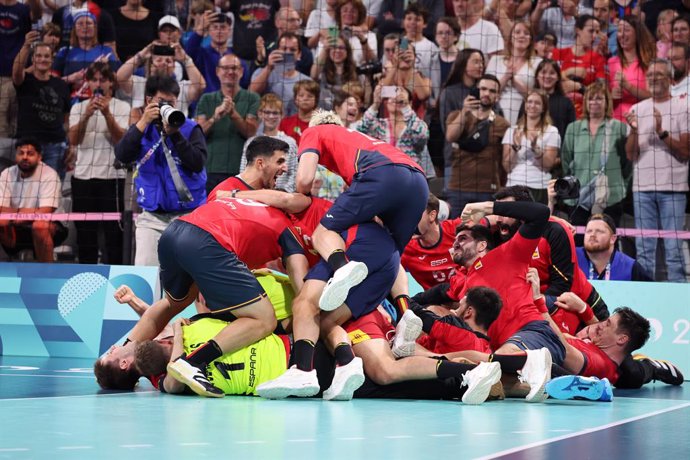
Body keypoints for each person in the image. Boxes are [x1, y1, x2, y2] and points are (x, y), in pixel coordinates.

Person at [124, 137, 309, 397]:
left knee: (172, 303)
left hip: (178, 234)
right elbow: (304, 296)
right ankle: (192, 363)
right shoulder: (283, 225)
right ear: (259, 163)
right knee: (264, 319)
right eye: (280, 161)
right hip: (209, 249)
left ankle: (122, 357)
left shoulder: (232, 193)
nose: (285, 168)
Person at [294, 110, 429, 311]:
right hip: (419, 182)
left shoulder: (314, 131)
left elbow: (304, 181)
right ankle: (406, 311)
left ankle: (341, 268)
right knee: (390, 252)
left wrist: (301, 195)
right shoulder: (358, 139)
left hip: (382, 174)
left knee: (323, 232)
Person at [114, 75, 208, 266]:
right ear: (149, 101)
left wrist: (176, 135)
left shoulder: (190, 128)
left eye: (171, 102)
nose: (167, 107)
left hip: (188, 216)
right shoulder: (140, 130)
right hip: (152, 217)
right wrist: (143, 123)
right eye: (162, 102)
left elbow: (198, 163)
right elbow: (122, 155)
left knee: (189, 277)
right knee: (146, 274)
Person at [624, 59, 690, 282]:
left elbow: (685, 151)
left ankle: (680, 297)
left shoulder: (683, 107)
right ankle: (644, 298)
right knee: (644, 250)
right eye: (650, 74)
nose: (652, 78)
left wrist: (661, 131)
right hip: (642, 188)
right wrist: (633, 131)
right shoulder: (637, 109)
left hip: (673, 188)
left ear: (670, 80)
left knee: (673, 250)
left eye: (658, 74)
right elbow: (630, 154)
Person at [68, 62, 130, 264]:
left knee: (114, 233)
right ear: (88, 83)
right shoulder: (78, 108)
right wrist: (86, 114)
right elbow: (73, 140)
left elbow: (122, 140)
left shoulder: (122, 107)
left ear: (111, 82)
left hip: (112, 178)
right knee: (85, 234)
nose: (98, 83)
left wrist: (106, 113)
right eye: (94, 79)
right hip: (83, 177)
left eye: (102, 79)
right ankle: (85, 272)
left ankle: (117, 276)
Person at [561, 81, 630, 235]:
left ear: (607, 102)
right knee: (578, 243)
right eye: (590, 98)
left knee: (608, 242)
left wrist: (620, 186)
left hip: (611, 196)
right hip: (578, 198)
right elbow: (565, 161)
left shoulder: (619, 127)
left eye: (599, 98)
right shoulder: (574, 128)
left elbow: (627, 163)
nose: (594, 102)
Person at [444, 74, 510, 217]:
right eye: (483, 89)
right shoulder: (457, 115)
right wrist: (464, 111)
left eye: (492, 91)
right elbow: (450, 136)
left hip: (488, 190)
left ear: (497, 96)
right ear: (476, 90)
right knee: (456, 231)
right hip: (458, 187)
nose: (487, 93)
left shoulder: (503, 124)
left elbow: (504, 162)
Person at [195, 54, 259, 193]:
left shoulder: (252, 98)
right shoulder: (207, 99)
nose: (230, 72)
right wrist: (214, 118)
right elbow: (197, 133)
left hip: (241, 170)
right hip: (210, 168)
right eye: (225, 68)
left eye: (235, 68)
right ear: (217, 71)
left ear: (241, 72)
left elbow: (250, 132)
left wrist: (233, 113)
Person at [11, 34, 70, 179]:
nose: (43, 59)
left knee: (51, 191)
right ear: (33, 59)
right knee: (24, 192)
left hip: (55, 146)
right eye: (38, 56)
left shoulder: (61, 85)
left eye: (46, 56)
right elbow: (17, 71)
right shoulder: (25, 81)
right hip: (28, 146)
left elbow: (67, 118)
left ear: (52, 59)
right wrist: (26, 45)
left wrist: (70, 144)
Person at [0, 138, 66, 262]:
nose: (25, 157)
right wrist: (25, 213)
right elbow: (1, 208)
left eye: (30, 154)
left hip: (51, 226)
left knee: (39, 225)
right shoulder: (7, 173)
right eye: (21, 153)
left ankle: (47, 272)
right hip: (16, 225)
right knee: (1, 222)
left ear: (39, 157)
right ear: (16, 156)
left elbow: (45, 212)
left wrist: (17, 215)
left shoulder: (49, 174)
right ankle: (8, 266)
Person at [358, 85, 433, 178]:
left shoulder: (416, 125)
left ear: (410, 102)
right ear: (386, 102)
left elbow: (422, 135)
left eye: (401, 96)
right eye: (392, 96)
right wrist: (375, 104)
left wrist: (405, 107)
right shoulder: (379, 125)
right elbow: (359, 131)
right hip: (382, 177)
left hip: (410, 178)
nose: (396, 98)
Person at [117, 41, 206, 118]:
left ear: (174, 67)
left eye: (168, 61)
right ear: (151, 65)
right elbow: (120, 77)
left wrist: (186, 59)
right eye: (159, 60)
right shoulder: (139, 84)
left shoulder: (182, 87)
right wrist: (141, 55)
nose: (164, 63)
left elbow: (200, 86)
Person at [501, 89, 560, 204]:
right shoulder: (512, 131)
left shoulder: (552, 131)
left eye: (537, 103)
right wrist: (515, 148)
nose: (532, 105)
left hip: (539, 186)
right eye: (529, 102)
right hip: (514, 184)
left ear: (544, 108)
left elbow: (547, 166)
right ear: (525, 105)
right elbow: (507, 167)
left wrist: (535, 149)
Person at [485, 21, 542, 125]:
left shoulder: (538, 63)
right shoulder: (495, 61)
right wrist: (506, 77)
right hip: (495, 112)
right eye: (517, 32)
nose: (521, 36)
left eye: (526, 33)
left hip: (525, 113)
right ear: (511, 38)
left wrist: (515, 82)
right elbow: (486, 91)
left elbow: (540, 96)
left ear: (531, 39)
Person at [238, 94, 298, 193]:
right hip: (255, 195)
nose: (271, 116)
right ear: (260, 114)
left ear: (282, 115)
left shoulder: (290, 142)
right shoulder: (251, 142)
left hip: (282, 197)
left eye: (275, 113)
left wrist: (284, 193)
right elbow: (244, 171)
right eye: (267, 112)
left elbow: (294, 172)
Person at [400, 193, 461, 290]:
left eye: (414, 215)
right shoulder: (405, 249)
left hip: (467, 298)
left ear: (432, 215)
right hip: (433, 302)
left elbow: (489, 220)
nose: (408, 222)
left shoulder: (457, 229)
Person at [52, 10, 120, 96]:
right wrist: (70, 78)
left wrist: (105, 69)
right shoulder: (64, 52)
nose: (85, 26)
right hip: (70, 102)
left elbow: (117, 84)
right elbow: (51, 83)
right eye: (80, 23)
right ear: (74, 29)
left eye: (88, 23)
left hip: (100, 100)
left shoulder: (107, 51)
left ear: (95, 28)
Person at [552, 14, 607, 117]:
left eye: (597, 32)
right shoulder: (558, 54)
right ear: (578, 30)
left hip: (585, 114)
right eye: (591, 31)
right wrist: (568, 72)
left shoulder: (598, 59)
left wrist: (579, 87)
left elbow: (602, 91)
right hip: (557, 110)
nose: (594, 36)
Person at [249, 32, 313, 117]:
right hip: (267, 126)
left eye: (292, 50)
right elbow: (251, 94)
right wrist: (269, 68)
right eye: (284, 48)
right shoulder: (261, 72)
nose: (287, 52)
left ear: (299, 54)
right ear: (277, 50)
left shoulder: (307, 81)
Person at [576, 213, 652, 281]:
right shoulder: (571, 257)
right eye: (589, 231)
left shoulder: (630, 267)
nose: (592, 235)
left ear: (612, 239)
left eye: (599, 231)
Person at [607, 15, 655, 121]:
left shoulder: (649, 63)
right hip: (616, 121)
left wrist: (628, 87)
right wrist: (611, 96)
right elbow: (604, 96)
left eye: (627, 30)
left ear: (637, 34)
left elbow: (653, 96)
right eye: (619, 31)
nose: (622, 34)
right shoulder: (611, 62)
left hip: (642, 119)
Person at [279, 80, 321, 145]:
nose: (305, 98)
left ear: (316, 100)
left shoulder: (322, 124)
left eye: (310, 96)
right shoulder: (285, 123)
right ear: (295, 99)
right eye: (301, 95)